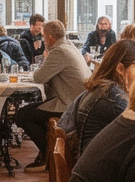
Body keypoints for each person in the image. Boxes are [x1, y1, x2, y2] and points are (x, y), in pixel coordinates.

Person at [58, 39, 135, 157]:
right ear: (120, 69)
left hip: (90, 163)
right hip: (99, 170)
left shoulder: (103, 89)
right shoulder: (113, 99)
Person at [19, 20, 90, 172]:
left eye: (43, 36)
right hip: (78, 100)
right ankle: (47, 152)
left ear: (50, 37)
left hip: (68, 104)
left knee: (23, 116)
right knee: (30, 112)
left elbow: (39, 78)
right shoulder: (70, 46)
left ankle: (48, 154)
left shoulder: (59, 52)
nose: (43, 40)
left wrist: (45, 58)